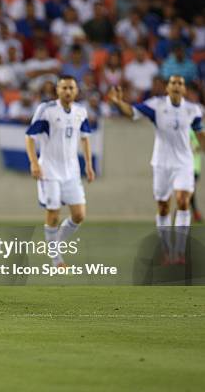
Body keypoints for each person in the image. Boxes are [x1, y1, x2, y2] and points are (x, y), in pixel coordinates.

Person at [108, 76, 205, 263]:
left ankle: (180, 251)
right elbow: (133, 113)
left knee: (183, 201)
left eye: (180, 84)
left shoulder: (193, 110)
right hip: (161, 163)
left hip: (184, 163)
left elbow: (200, 133)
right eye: (173, 83)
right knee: (163, 207)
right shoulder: (156, 106)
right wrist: (118, 102)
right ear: (167, 88)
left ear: (184, 90)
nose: (176, 86)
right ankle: (167, 250)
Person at [25, 75, 95, 267]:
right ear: (57, 90)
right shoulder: (46, 110)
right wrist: (34, 163)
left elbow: (85, 138)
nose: (67, 91)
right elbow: (30, 137)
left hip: (71, 171)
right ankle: (56, 257)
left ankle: (54, 244)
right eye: (64, 88)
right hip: (49, 169)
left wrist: (88, 165)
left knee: (79, 215)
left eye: (71, 88)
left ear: (76, 91)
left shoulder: (81, 111)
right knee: (53, 213)